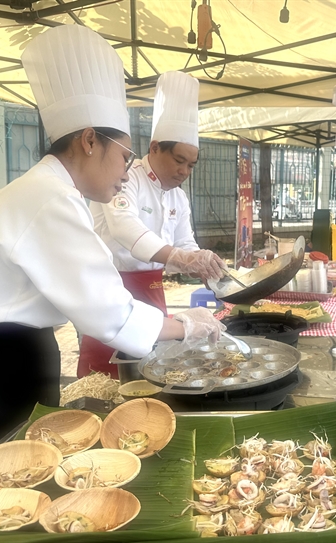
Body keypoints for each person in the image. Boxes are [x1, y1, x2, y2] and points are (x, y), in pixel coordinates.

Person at [0, 26, 224, 501]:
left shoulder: (46, 193)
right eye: (124, 155)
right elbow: (108, 312)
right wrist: (186, 325)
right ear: (89, 141)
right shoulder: (48, 198)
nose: (126, 171)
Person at [78, 71, 227, 378]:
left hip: (154, 290)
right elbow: (124, 227)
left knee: (151, 372)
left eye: (191, 165)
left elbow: (185, 243)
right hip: (113, 290)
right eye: (179, 160)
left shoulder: (178, 197)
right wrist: (180, 258)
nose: (184, 171)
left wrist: (204, 265)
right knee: (106, 377)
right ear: (155, 147)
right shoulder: (124, 178)